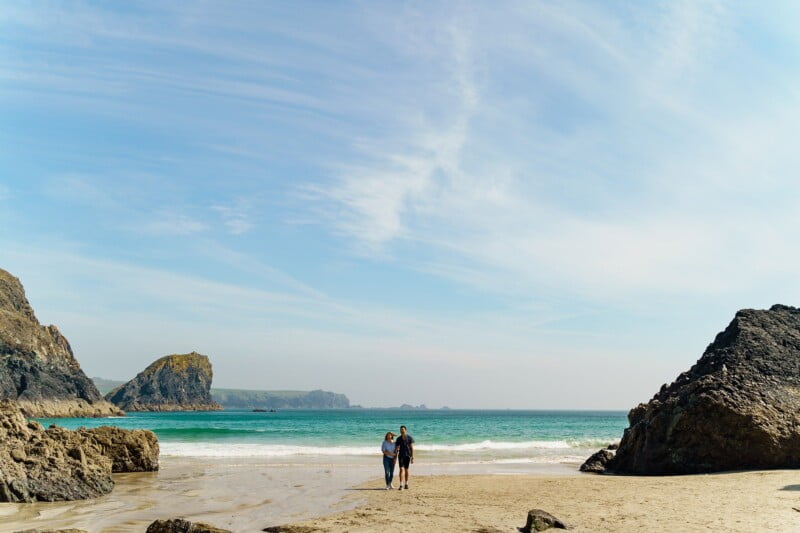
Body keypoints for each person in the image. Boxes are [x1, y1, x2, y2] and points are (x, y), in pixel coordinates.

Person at [394, 425, 414, 490]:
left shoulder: (409, 438)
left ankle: (406, 484)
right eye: (401, 429)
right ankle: (401, 485)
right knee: (401, 469)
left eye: (403, 429)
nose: (402, 430)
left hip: (407, 455)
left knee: (406, 470)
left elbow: (411, 448)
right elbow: (396, 449)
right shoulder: (398, 439)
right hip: (401, 456)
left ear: (405, 430)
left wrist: (412, 457)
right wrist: (395, 458)